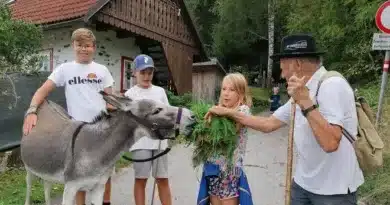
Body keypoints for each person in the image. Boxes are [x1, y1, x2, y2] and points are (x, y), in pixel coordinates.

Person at [205, 34, 364, 205]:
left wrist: (305, 102)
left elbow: (330, 143)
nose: (281, 74)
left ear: (297, 64)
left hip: (333, 191)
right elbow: (268, 124)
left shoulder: (331, 86)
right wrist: (229, 113)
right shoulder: (301, 91)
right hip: (303, 185)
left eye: (283, 67)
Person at [22, 28, 115, 205]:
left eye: (87, 45)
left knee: (105, 172)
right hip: (78, 133)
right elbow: (42, 91)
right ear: (73, 46)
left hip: (102, 132)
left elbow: (111, 101)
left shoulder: (102, 70)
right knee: (78, 177)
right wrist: (32, 111)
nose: (83, 49)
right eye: (79, 45)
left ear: (93, 47)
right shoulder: (65, 69)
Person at [124, 54, 172, 205]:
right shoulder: (130, 94)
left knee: (162, 179)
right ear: (135, 73)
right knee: (141, 180)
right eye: (143, 72)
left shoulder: (160, 92)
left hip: (159, 142)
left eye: (149, 72)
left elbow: (168, 114)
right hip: (140, 143)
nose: (146, 76)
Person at [198, 73, 253, 205]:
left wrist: (220, 112)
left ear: (240, 93)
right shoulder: (216, 112)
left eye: (232, 90)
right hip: (213, 170)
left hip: (230, 173)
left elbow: (230, 131)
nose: (226, 93)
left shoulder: (243, 111)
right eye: (224, 89)